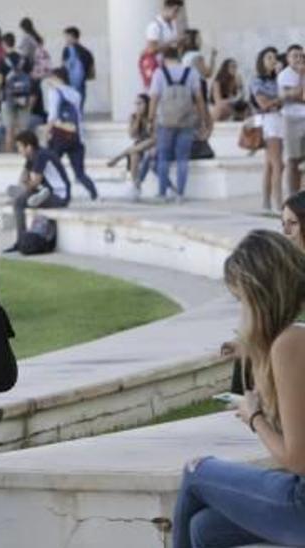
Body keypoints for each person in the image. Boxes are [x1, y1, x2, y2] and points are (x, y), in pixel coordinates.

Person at [171, 229, 305, 548]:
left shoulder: (289, 344)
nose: (241, 309)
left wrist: (254, 415)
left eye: (241, 299)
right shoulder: (290, 339)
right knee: (204, 529)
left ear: (260, 294)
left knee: (196, 470)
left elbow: (297, 458)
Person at [149, 46, 212, 203]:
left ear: (163, 58)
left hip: (165, 121)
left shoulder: (159, 73)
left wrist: (150, 119)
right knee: (182, 159)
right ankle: (180, 194)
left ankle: (162, 193)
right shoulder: (191, 73)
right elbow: (199, 99)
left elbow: (154, 98)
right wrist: (204, 120)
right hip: (186, 121)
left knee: (163, 158)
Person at [6, 130, 71, 252]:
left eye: (20, 147)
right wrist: (24, 185)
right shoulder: (32, 156)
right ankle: (33, 199)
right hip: (46, 193)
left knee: (19, 202)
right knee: (22, 199)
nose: (18, 150)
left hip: (59, 196)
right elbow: (22, 179)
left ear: (29, 147)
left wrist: (25, 187)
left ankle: (20, 241)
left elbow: (34, 182)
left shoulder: (41, 156)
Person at [44, 68, 100, 201]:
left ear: (57, 78)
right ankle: (94, 194)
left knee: (50, 167)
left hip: (59, 137)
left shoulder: (54, 93)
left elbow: (52, 116)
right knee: (79, 173)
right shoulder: (75, 93)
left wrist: (47, 132)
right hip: (76, 137)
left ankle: (54, 193)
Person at [253, 47, 286, 211]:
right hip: (270, 122)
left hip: (281, 119)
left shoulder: (279, 79)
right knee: (278, 164)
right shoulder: (258, 81)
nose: (273, 61)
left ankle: (266, 203)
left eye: (275, 57)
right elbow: (263, 104)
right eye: (269, 58)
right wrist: (280, 99)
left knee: (270, 164)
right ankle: (278, 203)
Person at [107, 93, 157, 197]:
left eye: (140, 103)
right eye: (136, 104)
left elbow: (155, 137)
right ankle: (136, 186)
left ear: (147, 104)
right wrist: (138, 119)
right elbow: (132, 135)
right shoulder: (133, 116)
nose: (138, 106)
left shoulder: (152, 116)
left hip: (153, 143)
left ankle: (118, 157)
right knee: (134, 155)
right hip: (139, 145)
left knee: (140, 147)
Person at [0, 34, 34, 153]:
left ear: (4, 44)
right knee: (23, 128)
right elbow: (30, 78)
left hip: (8, 97)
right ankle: (23, 153)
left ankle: (9, 154)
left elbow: (0, 81)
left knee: (9, 129)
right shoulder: (24, 60)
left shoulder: (2, 60)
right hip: (23, 97)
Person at [142, 0, 186, 87]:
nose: (176, 14)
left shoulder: (172, 24)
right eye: (175, 11)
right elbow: (151, 49)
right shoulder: (154, 26)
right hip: (158, 67)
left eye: (178, 11)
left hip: (170, 65)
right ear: (166, 8)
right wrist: (173, 41)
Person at [280, 47, 305, 197]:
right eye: (295, 56)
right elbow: (297, 95)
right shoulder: (285, 75)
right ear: (288, 58)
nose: (299, 59)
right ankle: (292, 196)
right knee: (293, 160)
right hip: (291, 120)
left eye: (301, 56)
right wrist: (301, 76)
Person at [61, 27, 95, 112]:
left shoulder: (67, 49)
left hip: (70, 84)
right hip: (81, 84)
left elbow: (65, 66)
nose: (65, 39)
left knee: (70, 111)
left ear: (72, 36)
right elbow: (90, 68)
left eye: (66, 36)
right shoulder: (86, 51)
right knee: (79, 110)